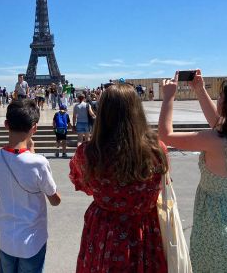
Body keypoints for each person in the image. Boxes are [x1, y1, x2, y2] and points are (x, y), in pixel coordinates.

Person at [69, 83, 169, 272]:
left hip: (104, 230)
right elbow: (161, 186)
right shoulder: (157, 150)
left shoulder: (88, 153)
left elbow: (84, 184)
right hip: (144, 228)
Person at [159, 70, 227, 272]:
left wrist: (169, 96)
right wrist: (200, 90)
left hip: (214, 229)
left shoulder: (213, 140)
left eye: (222, 96)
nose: (218, 98)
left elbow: (165, 135)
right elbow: (218, 122)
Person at [0, 99, 61, 273]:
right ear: (34, 127)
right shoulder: (39, 163)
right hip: (32, 240)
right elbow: (55, 200)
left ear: (6, 124)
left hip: (6, 238)